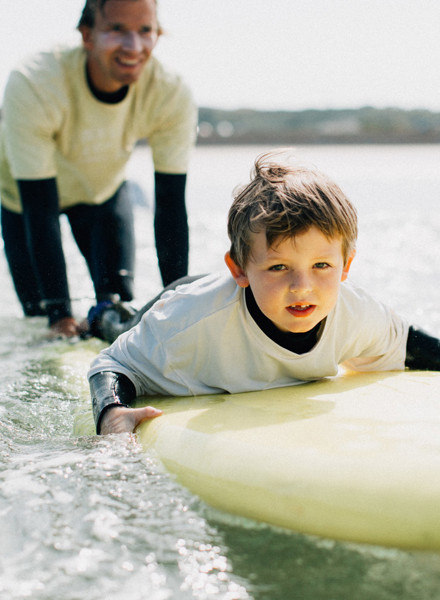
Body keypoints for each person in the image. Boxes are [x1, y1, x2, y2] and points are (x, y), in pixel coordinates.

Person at [87, 149, 440, 435]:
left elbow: (410, 344)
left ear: (346, 265)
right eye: (279, 267)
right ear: (239, 268)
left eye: (321, 266)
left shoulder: (356, 313)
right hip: (184, 296)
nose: (302, 286)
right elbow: (112, 363)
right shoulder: (186, 324)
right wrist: (113, 412)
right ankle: (106, 311)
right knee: (118, 326)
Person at [0, 0, 197, 337]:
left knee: (116, 311)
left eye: (145, 30)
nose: (133, 47)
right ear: (87, 35)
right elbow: (40, 208)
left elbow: (170, 205)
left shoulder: (170, 93)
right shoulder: (34, 83)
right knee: (43, 321)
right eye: (116, 29)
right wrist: (59, 315)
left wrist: (178, 308)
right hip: (25, 204)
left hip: (101, 195)